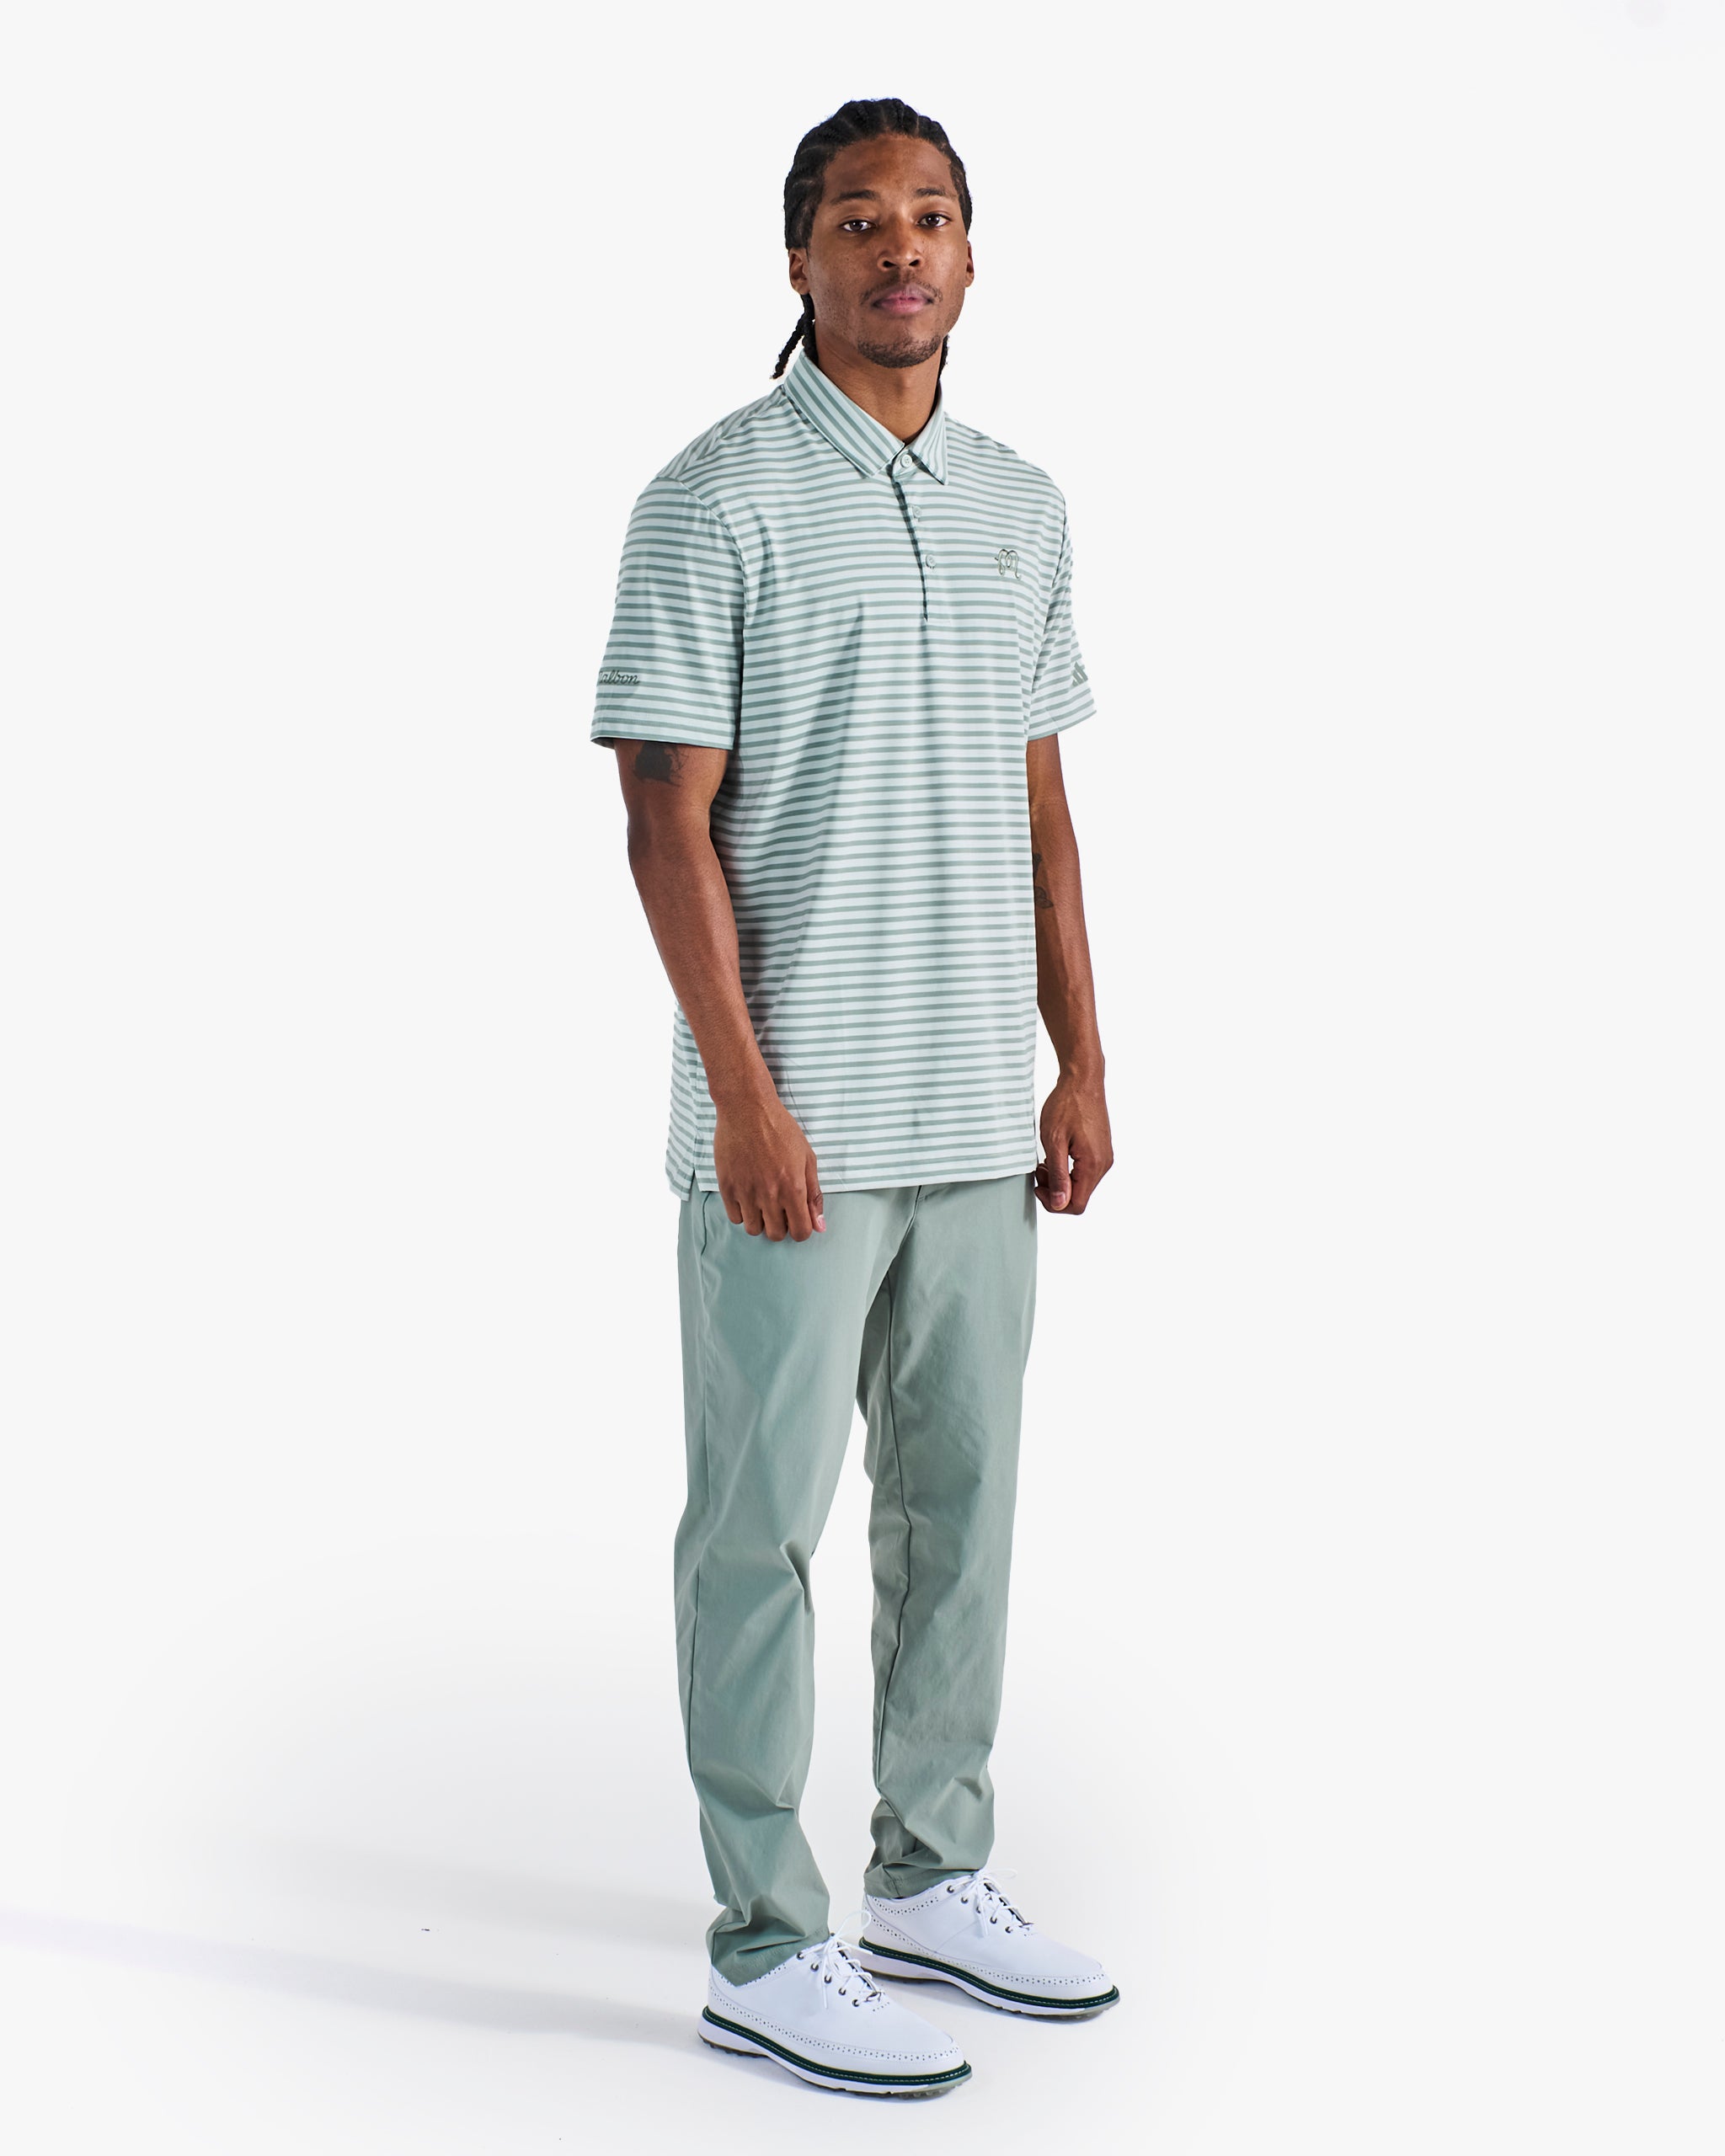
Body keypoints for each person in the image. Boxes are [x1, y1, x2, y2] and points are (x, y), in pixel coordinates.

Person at [592, 96, 1117, 2098]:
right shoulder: (711, 497)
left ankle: (926, 1872)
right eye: (858, 217)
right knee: (758, 1530)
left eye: (931, 216)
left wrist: (1082, 1055)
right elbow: (664, 819)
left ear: (971, 255)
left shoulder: (1019, 503)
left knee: (960, 1511)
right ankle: (763, 1935)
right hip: (793, 1124)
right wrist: (743, 1096)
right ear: (799, 257)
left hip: (978, 1110)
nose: (900, 248)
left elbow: (1041, 808)